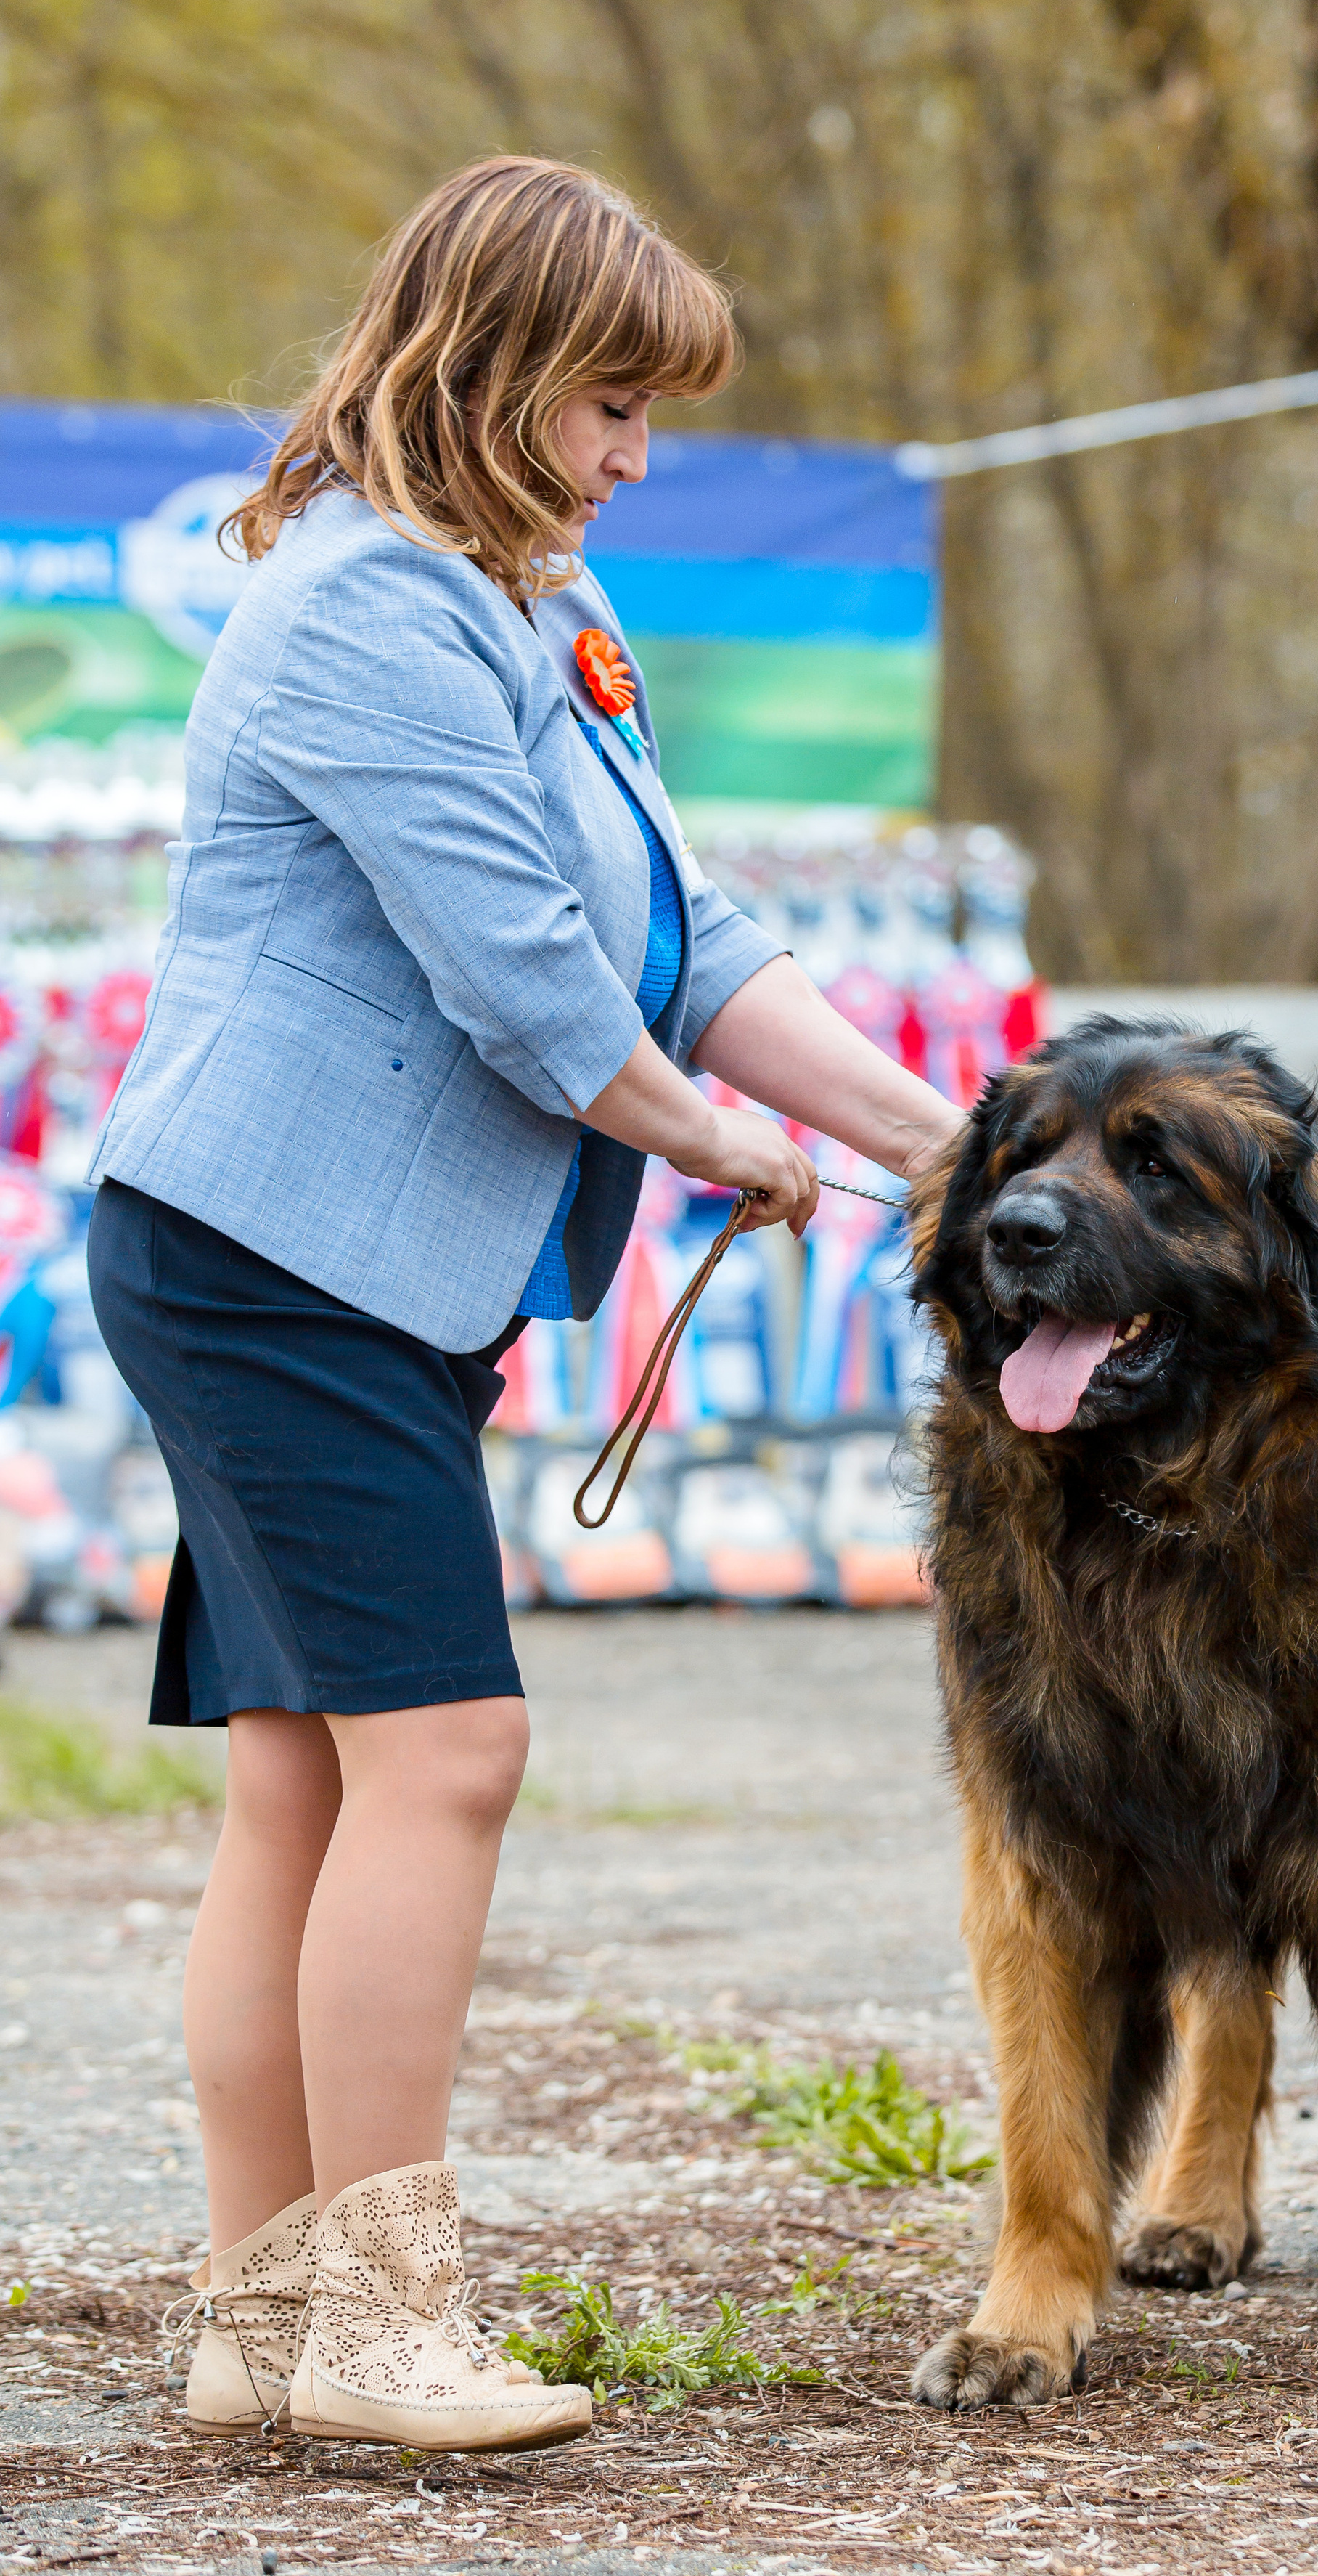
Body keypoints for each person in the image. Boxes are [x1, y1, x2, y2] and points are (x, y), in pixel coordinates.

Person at [86, 156, 962, 2454]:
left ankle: (261, 2326)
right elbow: (527, 981)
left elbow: (693, 925)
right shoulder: (364, 609)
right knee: (451, 1758)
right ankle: (379, 2329)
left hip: (318, 1266)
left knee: (304, 1782)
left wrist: (932, 1140)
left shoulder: (533, 604)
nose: (637, 455)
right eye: (611, 403)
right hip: (272, 1264)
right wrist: (710, 1140)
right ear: (488, 367)